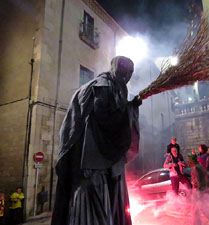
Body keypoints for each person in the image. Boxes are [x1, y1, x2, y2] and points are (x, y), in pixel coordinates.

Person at [51, 56, 142, 225]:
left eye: (131, 73)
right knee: (94, 209)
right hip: (95, 163)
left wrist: (130, 106)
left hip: (95, 162)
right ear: (119, 70)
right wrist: (131, 108)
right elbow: (105, 119)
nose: (128, 77)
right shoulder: (103, 86)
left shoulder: (104, 85)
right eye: (127, 73)